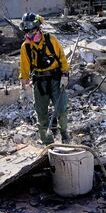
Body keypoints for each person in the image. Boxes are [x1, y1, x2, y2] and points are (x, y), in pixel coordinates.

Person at [18, 13, 70, 144]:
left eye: (32, 31)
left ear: (38, 28)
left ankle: (64, 133)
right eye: (27, 32)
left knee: (62, 109)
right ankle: (48, 142)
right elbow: (24, 69)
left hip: (56, 80)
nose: (30, 35)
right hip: (39, 82)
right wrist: (22, 87)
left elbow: (62, 58)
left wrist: (65, 75)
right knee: (41, 114)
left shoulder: (50, 40)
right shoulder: (26, 47)